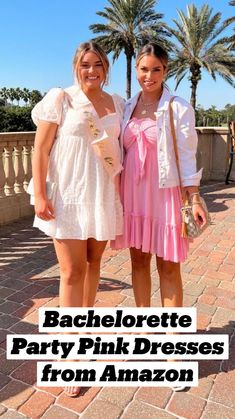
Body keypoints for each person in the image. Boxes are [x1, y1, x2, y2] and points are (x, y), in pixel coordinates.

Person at [31, 41, 124, 397]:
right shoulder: (61, 98)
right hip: (67, 197)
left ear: (106, 68)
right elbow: (41, 148)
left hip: (101, 194)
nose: (92, 71)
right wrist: (40, 194)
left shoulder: (117, 103)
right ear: (76, 66)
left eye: (98, 64)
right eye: (85, 64)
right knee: (71, 271)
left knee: (93, 263)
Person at [112, 43, 207, 310]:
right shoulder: (127, 106)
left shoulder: (178, 108)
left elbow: (188, 157)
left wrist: (195, 197)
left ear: (165, 71)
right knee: (139, 262)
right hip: (133, 195)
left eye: (156, 70)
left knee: (168, 266)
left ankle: (172, 338)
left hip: (165, 196)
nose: (149, 76)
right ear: (136, 69)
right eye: (143, 69)